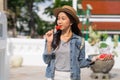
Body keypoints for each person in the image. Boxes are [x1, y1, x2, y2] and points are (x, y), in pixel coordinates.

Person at [43, 5, 110, 80]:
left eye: (63, 18)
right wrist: (49, 42)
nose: (59, 21)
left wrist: (95, 58)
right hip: (53, 76)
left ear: (71, 22)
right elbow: (46, 60)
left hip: (72, 77)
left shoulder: (79, 40)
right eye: (58, 18)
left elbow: (80, 63)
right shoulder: (52, 38)